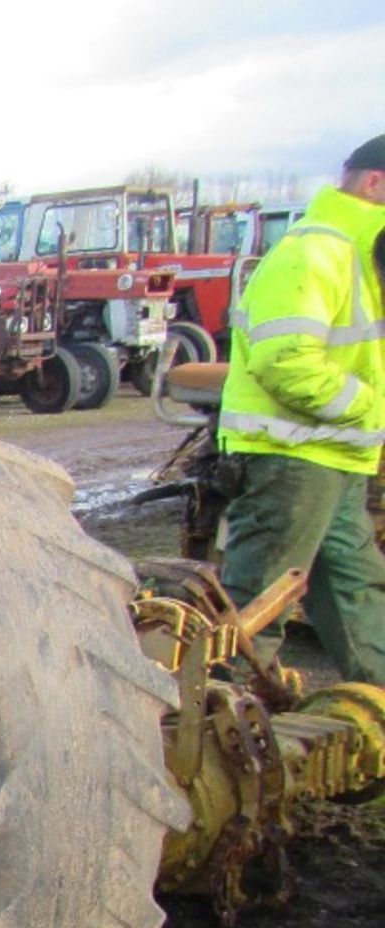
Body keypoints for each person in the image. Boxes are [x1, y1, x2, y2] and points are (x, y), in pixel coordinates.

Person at [216, 133, 385, 684]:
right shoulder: (316, 251)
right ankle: (214, 733)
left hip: (337, 459)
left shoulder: (361, 256)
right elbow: (286, 359)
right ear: (374, 182)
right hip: (292, 459)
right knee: (258, 606)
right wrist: (368, 408)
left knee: (358, 596)